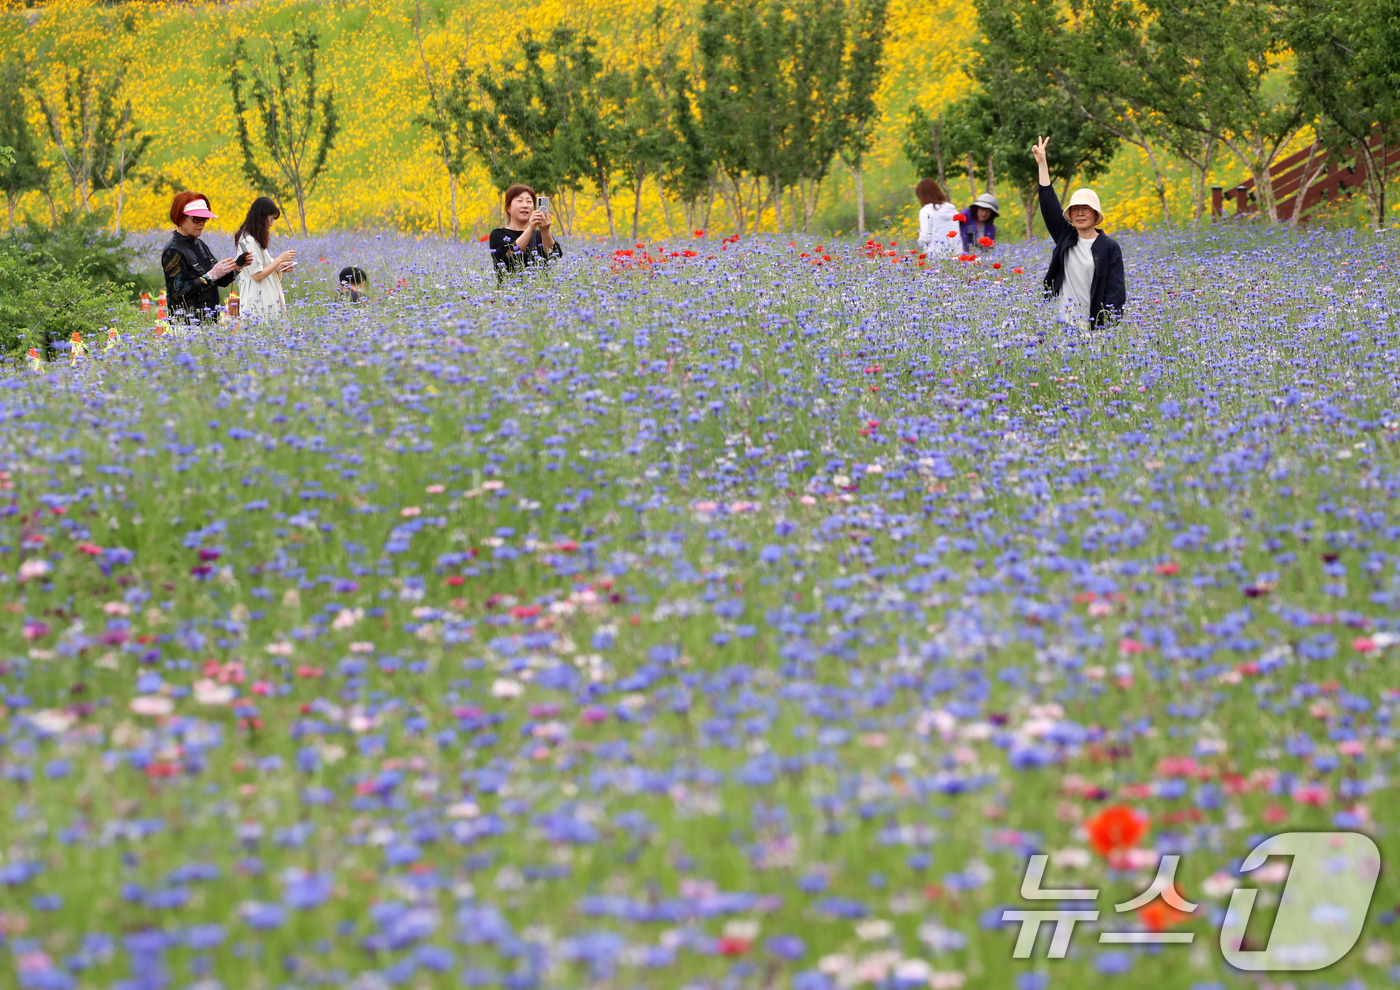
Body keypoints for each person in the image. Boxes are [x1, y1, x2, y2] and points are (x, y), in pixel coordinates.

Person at [1031, 135, 1126, 330]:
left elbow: (1116, 294)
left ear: (1095, 214)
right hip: (1063, 324)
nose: (1080, 213)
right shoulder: (1066, 237)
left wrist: (1107, 330)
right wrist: (1042, 163)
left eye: (1085, 208)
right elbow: (1048, 204)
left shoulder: (1109, 247)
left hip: (1094, 328)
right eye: (1075, 209)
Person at [161, 192, 250, 322]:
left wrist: (237, 267)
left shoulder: (200, 244)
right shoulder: (173, 250)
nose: (201, 223)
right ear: (180, 218)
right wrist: (210, 276)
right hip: (187, 324)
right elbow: (178, 290)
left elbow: (221, 281)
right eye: (196, 218)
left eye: (204, 219)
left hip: (210, 320)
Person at [233, 196, 295, 320]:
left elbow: (263, 265)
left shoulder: (254, 238)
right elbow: (257, 275)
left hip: (263, 295)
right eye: (271, 219)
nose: (272, 224)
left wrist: (279, 266)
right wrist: (279, 259)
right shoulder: (249, 240)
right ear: (261, 217)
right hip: (257, 298)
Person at [489, 184, 560, 280]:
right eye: (519, 201)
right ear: (508, 208)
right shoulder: (498, 234)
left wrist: (545, 231)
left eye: (529, 202)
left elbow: (554, 256)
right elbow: (511, 253)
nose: (525, 205)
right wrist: (530, 228)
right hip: (510, 292)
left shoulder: (540, 235)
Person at [915, 179, 960, 256]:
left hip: (936, 258)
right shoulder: (952, 209)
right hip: (956, 255)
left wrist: (920, 236)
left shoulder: (926, 211)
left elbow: (925, 238)